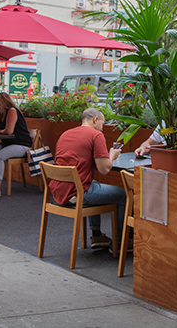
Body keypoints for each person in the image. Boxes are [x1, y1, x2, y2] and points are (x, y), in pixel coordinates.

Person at [48, 107, 125, 249]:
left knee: (93, 184)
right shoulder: (96, 135)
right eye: (102, 123)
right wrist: (112, 155)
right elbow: (104, 170)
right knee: (124, 195)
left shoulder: (65, 134)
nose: (102, 128)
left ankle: (96, 235)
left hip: (58, 191)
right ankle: (121, 243)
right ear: (95, 120)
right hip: (77, 193)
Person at [0, 92, 33, 199]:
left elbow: (8, 131)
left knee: (0, 156)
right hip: (7, 144)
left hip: (22, 145)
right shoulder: (0, 114)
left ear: (5, 103)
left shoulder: (12, 111)